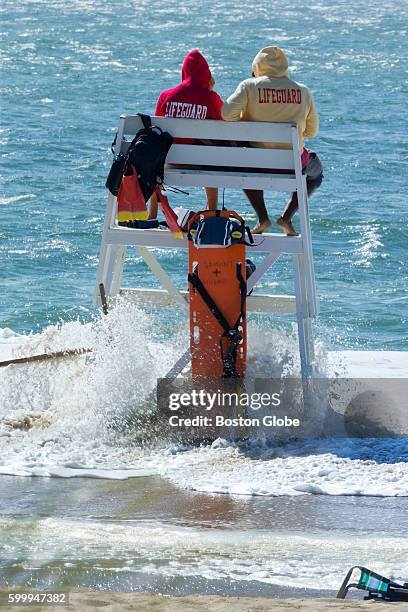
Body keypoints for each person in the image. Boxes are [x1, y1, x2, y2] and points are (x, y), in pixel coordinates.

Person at [221, 46, 323, 235]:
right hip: (292, 164)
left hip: (256, 163)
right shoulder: (303, 91)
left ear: (257, 66)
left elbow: (227, 115)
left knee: (243, 164)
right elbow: (312, 131)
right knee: (316, 172)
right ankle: (287, 217)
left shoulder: (249, 86)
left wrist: (248, 120)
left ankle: (262, 218)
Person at [150, 50, 223, 218]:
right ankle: (211, 211)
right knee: (209, 155)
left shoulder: (165, 96)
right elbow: (224, 122)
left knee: (153, 159)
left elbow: (157, 129)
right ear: (206, 73)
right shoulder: (211, 98)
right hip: (201, 162)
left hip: (169, 160)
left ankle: (152, 214)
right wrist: (210, 90)